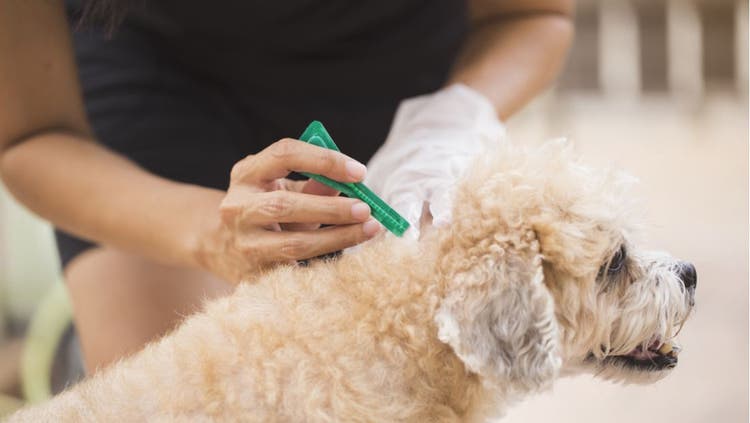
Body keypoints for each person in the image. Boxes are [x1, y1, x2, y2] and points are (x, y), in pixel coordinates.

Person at [0, 0, 574, 373]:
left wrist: (446, 122)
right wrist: (206, 232)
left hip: (396, 64)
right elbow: (30, 139)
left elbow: (534, 15)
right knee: (178, 391)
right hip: (148, 60)